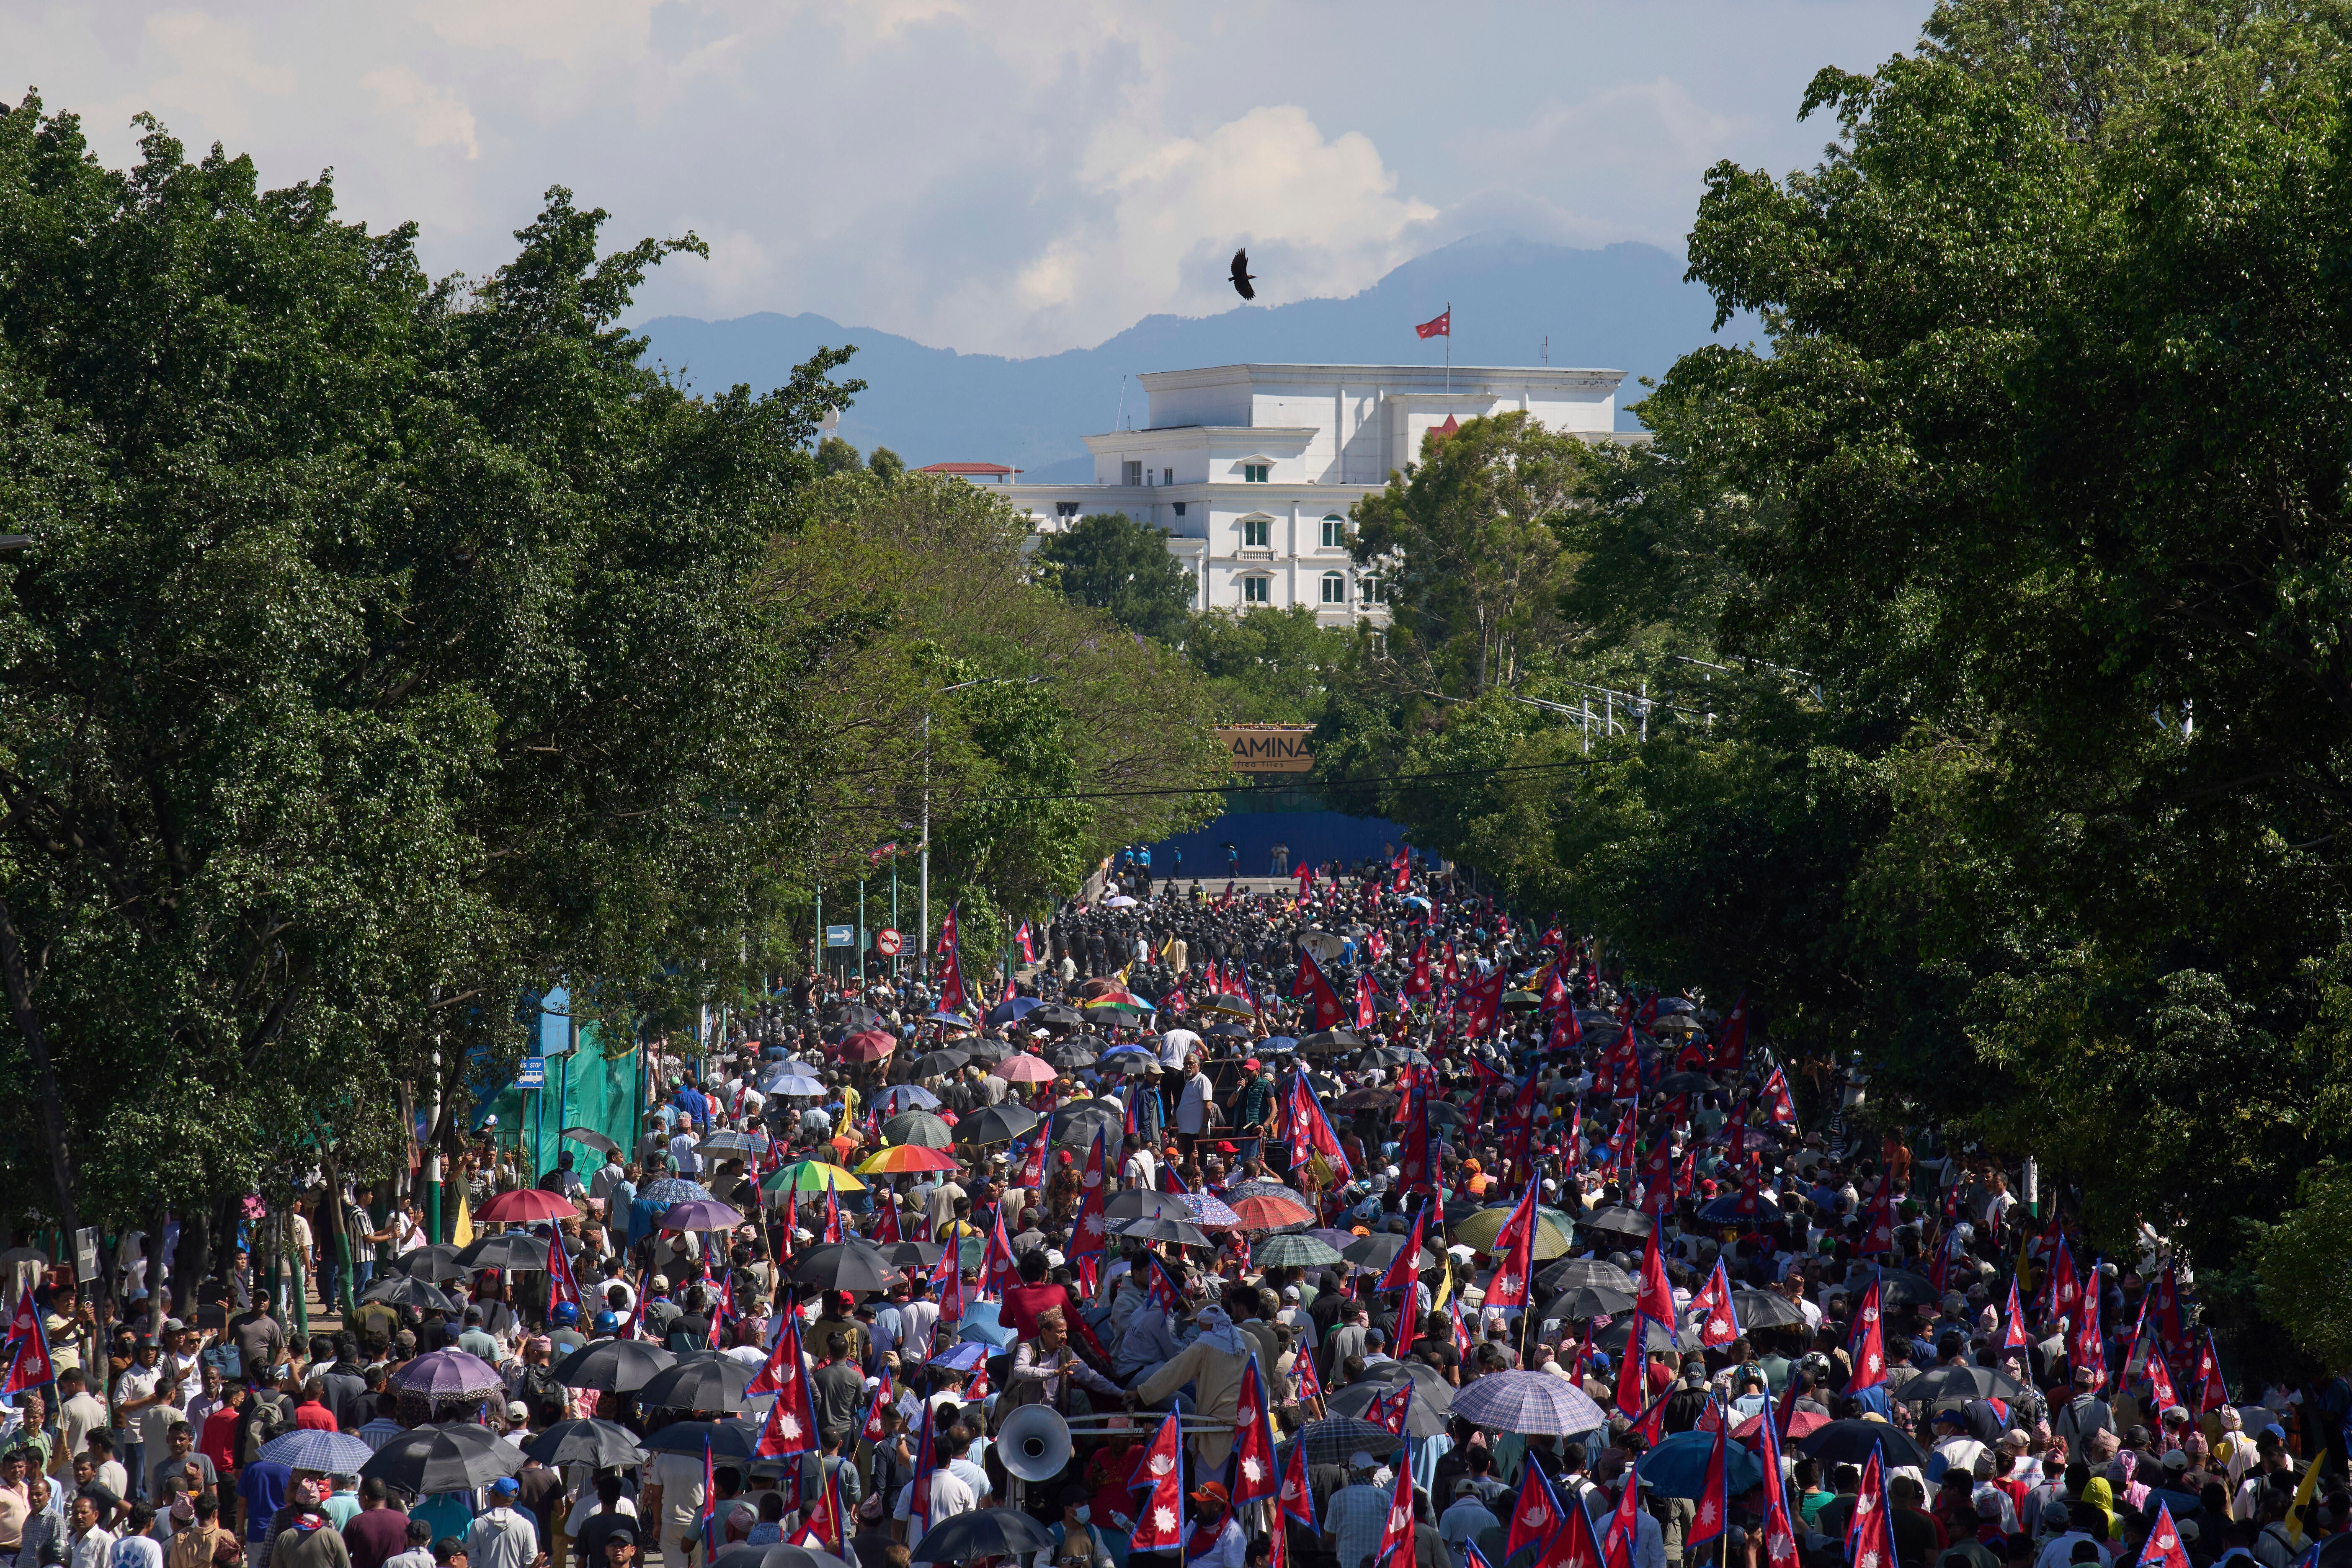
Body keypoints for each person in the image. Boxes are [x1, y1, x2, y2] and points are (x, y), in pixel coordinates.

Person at [458, 1483, 534, 1568]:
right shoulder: (526, 1526)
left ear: (495, 1497)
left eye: (490, 1493)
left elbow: (473, 1561)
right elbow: (531, 1560)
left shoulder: (477, 1524)